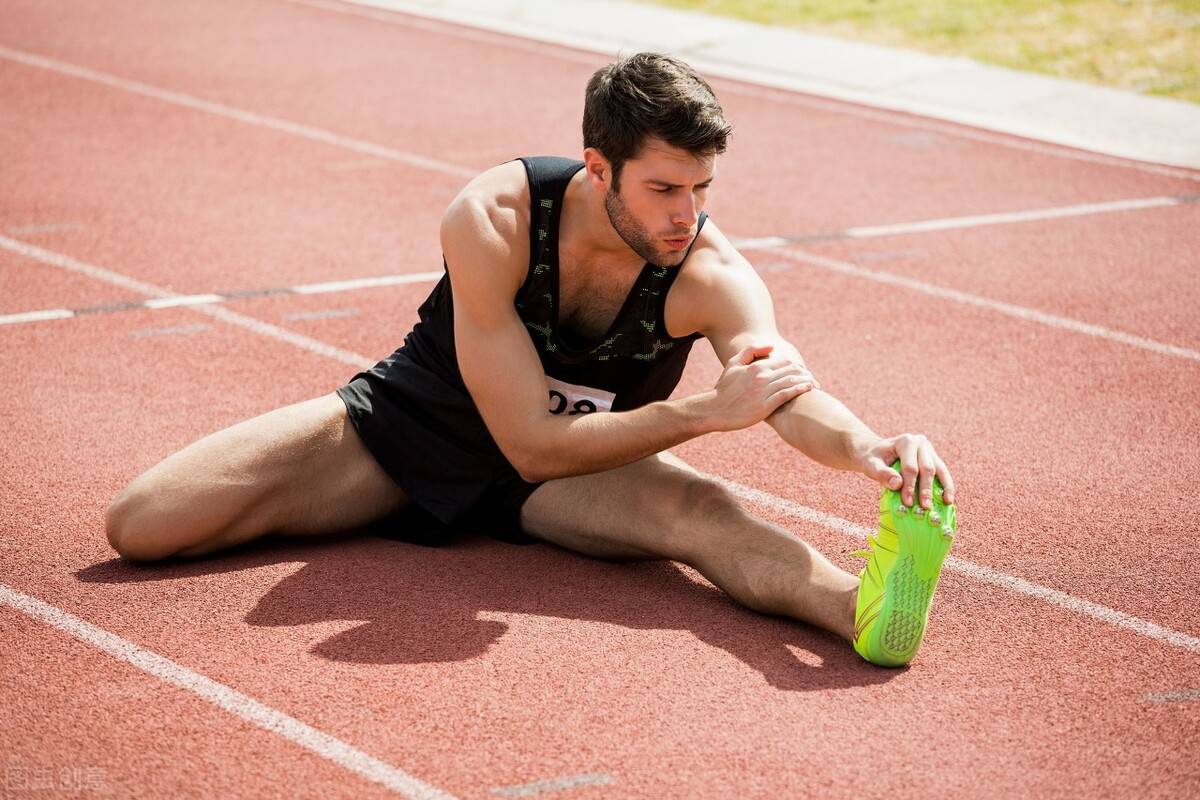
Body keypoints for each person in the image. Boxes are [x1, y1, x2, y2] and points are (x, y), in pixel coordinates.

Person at [105, 52, 957, 667]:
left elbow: (785, 390)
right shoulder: (495, 219)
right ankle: (365, 505)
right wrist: (698, 413)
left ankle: (863, 606)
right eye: (663, 189)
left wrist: (871, 449)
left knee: (704, 513)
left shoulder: (708, 271)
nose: (685, 216)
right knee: (143, 524)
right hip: (414, 427)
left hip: (569, 472)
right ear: (598, 167)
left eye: (701, 191)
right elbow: (524, 439)